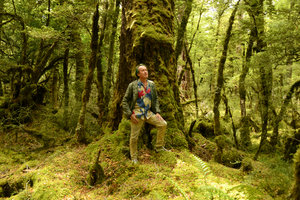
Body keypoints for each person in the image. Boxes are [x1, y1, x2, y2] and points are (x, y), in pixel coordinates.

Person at [122, 64, 168, 163]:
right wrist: (130, 114)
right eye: (142, 71)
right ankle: (133, 157)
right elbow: (124, 101)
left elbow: (155, 99)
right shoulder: (133, 85)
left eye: (146, 70)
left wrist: (157, 112)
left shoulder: (152, 84)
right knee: (134, 137)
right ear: (138, 74)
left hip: (149, 113)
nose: (145, 72)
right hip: (137, 115)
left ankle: (159, 147)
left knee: (163, 124)